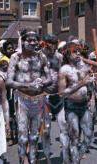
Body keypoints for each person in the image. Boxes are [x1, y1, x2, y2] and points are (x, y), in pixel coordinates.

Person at [6, 29, 51, 164]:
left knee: (34, 136)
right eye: (29, 40)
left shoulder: (41, 57)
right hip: (22, 99)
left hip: (38, 100)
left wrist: (42, 82)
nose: (33, 43)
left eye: (35, 40)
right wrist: (26, 86)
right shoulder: (16, 57)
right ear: (23, 41)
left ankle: (32, 159)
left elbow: (49, 78)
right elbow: (9, 81)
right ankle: (23, 159)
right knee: (23, 136)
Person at [58, 41, 94, 164]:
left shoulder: (84, 66)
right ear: (67, 54)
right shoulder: (64, 70)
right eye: (74, 51)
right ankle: (74, 161)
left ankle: (75, 159)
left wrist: (91, 90)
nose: (78, 54)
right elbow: (62, 93)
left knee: (89, 136)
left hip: (84, 106)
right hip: (71, 107)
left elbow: (90, 83)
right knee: (75, 137)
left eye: (79, 51)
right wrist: (81, 84)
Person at [40, 34, 64, 163]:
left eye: (55, 43)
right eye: (51, 43)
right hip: (44, 96)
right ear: (46, 43)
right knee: (46, 129)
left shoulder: (59, 57)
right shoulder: (38, 57)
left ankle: (66, 155)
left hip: (58, 96)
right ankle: (47, 156)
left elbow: (63, 73)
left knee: (64, 124)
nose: (54, 46)